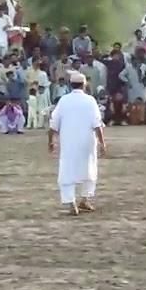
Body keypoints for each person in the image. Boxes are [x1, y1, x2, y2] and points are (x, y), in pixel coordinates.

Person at [48, 72, 106, 216]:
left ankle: (71, 202)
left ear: (70, 85)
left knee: (67, 170)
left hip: (69, 142)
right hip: (87, 142)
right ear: (84, 84)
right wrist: (102, 143)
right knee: (89, 168)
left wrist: (51, 141)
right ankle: (85, 199)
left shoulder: (63, 100)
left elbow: (53, 124)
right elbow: (97, 124)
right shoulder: (90, 100)